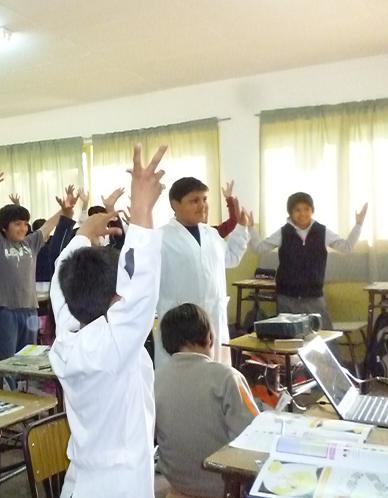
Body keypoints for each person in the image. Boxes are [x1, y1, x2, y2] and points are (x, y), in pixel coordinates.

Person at [49, 144, 167, 498]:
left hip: (84, 475)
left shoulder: (68, 332)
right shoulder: (114, 344)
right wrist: (142, 208)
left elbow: (59, 279)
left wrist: (84, 232)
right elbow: (141, 286)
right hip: (119, 483)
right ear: (116, 298)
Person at [155, 303, 258, 498]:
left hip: (178, 483)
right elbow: (255, 434)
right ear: (210, 337)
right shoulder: (227, 378)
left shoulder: (154, 380)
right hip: (224, 487)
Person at [0, 175, 78, 361]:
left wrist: (64, 211)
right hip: (6, 312)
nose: (23, 228)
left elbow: (49, 225)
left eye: (25, 224)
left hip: (30, 311)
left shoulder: (31, 243)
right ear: (4, 228)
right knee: (6, 362)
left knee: (28, 360)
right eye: (17, 224)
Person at [155, 177, 250, 367]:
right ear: (175, 204)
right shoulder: (161, 237)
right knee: (182, 376)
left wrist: (241, 229)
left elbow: (231, 258)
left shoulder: (211, 234)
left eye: (204, 199)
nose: (202, 205)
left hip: (214, 319)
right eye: (194, 200)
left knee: (217, 373)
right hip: (181, 325)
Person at [248, 192, 368, 328]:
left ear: (312, 210)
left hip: (313, 296)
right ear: (290, 213)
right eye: (297, 210)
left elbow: (346, 247)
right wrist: (251, 228)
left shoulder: (322, 231)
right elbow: (259, 248)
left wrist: (358, 225)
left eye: (306, 209)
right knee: (291, 337)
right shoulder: (283, 232)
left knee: (322, 335)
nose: (302, 213)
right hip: (287, 296)